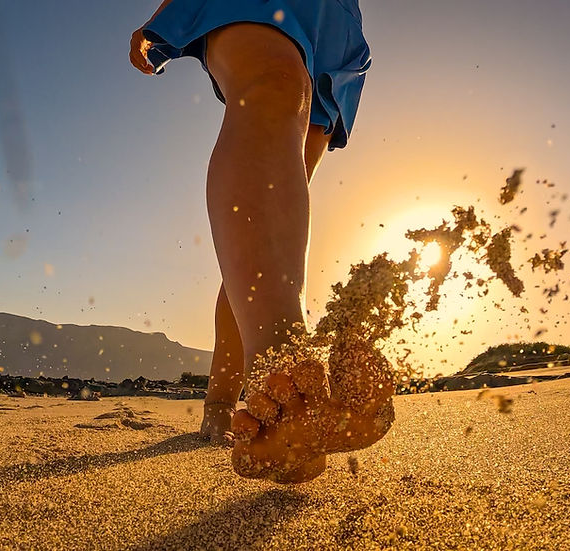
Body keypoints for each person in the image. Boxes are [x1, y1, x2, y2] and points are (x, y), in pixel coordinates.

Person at [130, 0, 390, 483]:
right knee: (275, 84)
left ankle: (234, 399)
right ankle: (284, 375)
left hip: (334, 21)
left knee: (275, 234)